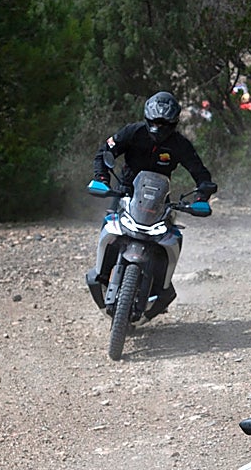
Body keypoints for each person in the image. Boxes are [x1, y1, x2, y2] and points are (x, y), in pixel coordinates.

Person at [87, 91, 217, 318]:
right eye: (155, 122)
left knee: (172, 238)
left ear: (174, 123)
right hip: (126, 192)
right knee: (108, 224)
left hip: (159, 200)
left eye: (165, 124)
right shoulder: (132, 132)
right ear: (147, 119)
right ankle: (102, 273)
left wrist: (203, 193)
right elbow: (106, 151)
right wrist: (101, 178)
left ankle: (161, 287)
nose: (159, 127)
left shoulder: (180, 145)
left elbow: (200, 171)